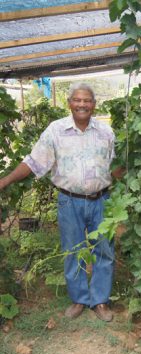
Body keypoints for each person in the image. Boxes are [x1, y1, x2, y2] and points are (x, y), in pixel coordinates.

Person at [0, 83, 122, 322]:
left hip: (102, 201)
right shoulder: (56, 131)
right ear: (69, 103)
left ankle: (99, 301)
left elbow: (116, 167)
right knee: (72, 251)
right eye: (77, 100)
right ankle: (79, 299)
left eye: (87, 100)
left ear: (94, 105)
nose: (82, 104)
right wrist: (5, 181)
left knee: (104, 251)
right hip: (69, 201)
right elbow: (34, 162)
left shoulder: (106, 132)